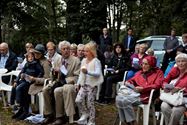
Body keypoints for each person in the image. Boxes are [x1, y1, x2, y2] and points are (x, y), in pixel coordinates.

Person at [116, 56, 163, 125]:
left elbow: (157, 85)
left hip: (148, 96)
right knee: (118, 99)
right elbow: (132, 80)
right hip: (136, 94)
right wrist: (128, 82)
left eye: (146, 64)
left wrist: (144, 88)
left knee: (124, 100)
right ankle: (127, 122)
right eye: (142, 64)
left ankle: (132, 122)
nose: (143, 66)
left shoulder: (158, 73)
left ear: (151, 65)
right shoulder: (140, 73)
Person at [42, 41, 80, 125]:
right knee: (45, 90)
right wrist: (53, 72)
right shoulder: (58, 60)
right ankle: (49, 114)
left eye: (68, 49)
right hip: (58, 82)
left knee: (57, 91)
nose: (66, 50)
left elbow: (77, 77)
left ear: (70, 50)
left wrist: (65, 80)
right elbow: (53, 77)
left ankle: (60, 117)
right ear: (60, 50)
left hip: (70, 84)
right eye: (64, 49)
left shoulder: (75, 61)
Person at [75, 42, 104, 125]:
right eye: (84, 51)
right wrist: (78, 84)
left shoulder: (96, 61)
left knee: (90, 103)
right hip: (84, 85)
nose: (84, 53)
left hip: (92, 86)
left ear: (92, 52)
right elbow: (81, 73)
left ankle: (92, 121)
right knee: (78, 100)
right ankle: (85, 113)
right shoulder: (84, 61)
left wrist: (88, 72)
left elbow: (98, 73)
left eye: (87, 51)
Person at [11, 51, 44, 120]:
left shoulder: (36, 64)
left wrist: (35, 79)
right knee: (14, 87)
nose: (31, 58)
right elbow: (21, 72)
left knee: (20, 88)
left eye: (32, 57)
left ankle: (19, 103)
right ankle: (19, 107)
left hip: (30, 81)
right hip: (24, 80)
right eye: (29, 57)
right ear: (27, 58)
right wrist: (16, 80)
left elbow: (41, 72)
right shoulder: (26, 64)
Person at [161, 53, 187, 125]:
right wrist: (165, 86)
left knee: (176, 110)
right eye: (178, 61)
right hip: (171, 97)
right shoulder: (175, 70)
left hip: (183, 99)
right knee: (164, 106)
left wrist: (180, 89)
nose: (181, 63)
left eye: (183, 61)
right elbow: (165, 80)